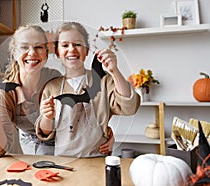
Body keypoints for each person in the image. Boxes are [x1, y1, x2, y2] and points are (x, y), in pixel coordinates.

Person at [36, 22, 140, 157]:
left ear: (86, 51)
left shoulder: (104, 81)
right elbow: (45, 132)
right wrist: (47, 116)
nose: (72, 49)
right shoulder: (51, 87)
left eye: (78, 44)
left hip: (98, 159)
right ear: (57, 52)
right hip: (63, 162)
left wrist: (115, 71)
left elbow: (129, 107)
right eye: (65, 45)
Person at [0, 24, 61, 157]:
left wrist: (105, 131)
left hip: (61, 142)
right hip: (28, 145)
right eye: (24, 47)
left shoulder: (55, 79)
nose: (32, 53)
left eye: (38, 47)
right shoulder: (6, 91)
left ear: (46, 53)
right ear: (14, 53)